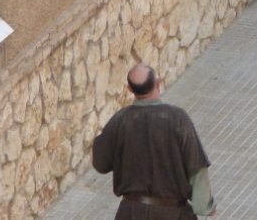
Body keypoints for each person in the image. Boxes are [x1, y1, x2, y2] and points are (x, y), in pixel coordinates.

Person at [92, 64, 216, 219]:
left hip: (131, 213)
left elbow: (100, 164)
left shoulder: (120, 120)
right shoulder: (178, 119)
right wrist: (205, 206)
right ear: (158, 83)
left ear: (130, 89)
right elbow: (196, 166)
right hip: (173, 214)